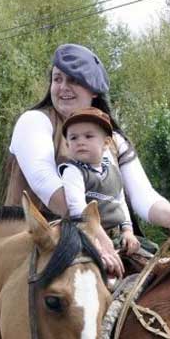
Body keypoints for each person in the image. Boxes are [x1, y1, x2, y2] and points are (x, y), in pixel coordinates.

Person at [4, 43, 170, 277]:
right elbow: (49, 188)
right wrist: (95, 237)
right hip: (37, 249)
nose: (63, 87)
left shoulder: (113, 140)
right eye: (57, 79)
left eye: (73, 80)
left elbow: (142, 195)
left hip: (106, 242)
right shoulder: (34, 121)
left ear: (94, 91)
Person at [58, 107, 140, 255]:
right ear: (67, 145)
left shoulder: (113, 171)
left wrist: (128, 231)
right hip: (87, 236)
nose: (80, 142)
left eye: (88, 136)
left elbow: (120, 202)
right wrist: (99, 239)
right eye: (73, 138)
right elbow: (78, 209)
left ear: (106, 143)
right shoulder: (73, 171)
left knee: (152, 261)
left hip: (116, 237)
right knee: (96, 272)